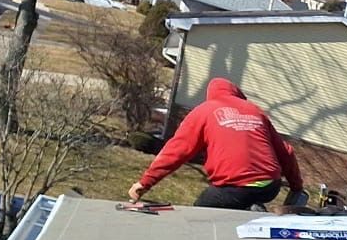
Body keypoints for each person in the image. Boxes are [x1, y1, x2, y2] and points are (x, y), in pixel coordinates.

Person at [129, 78, 305, 211]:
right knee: (243, 198)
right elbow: (286, 152)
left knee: (201, 213)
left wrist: (145, 183)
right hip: (270, 186)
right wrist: (296, 188)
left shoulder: (204, 111)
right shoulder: (255, 111)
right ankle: (252, 209)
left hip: (235, 188)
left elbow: (176, 151)